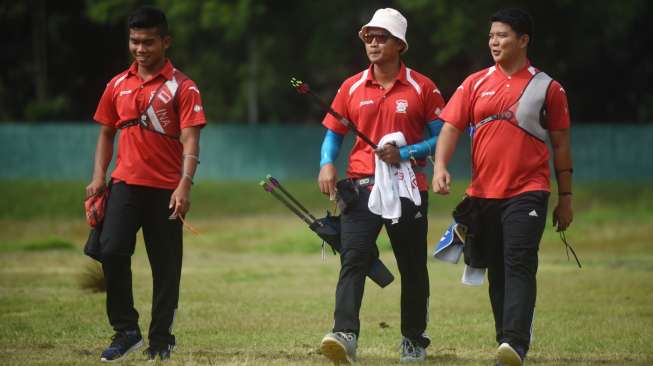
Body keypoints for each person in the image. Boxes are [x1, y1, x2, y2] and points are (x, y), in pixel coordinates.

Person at [432, 8, 573, 366]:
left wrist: (566, 199)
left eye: (503, 35)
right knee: (495, 268)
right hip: (482, 195)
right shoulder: (474, 83)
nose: (494, 42)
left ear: (523, 40)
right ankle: (505, 343)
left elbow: (561, 145)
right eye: (492, 35)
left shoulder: (548, 88)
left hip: (529, 189)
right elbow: (449, 127)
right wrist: (441, 166)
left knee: (519, 262)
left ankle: (515, 342)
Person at [317, 8, 446, 364]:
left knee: (412, 266)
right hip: (360, 188)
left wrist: (407, 151)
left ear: (400, 44)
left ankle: (413, 339)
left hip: (408, 188)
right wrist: (327, 162)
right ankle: (345, 334)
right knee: (353, 258)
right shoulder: (351, 86)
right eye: (369, 37)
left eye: (381, 37)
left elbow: (442, 137)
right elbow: (333, 134)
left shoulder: (423, 86)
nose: (373, 43)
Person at [85, 6, 206, 362]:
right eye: (135, 41)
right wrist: (97, 178)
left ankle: (161, 339)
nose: (141, 49)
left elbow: (191, 140)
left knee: (166, 268)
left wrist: (185, 184)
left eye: (149, 42)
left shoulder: (184, 87)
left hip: (167, 189)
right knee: (110, 250)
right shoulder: (117, 85)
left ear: (165, 42)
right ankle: (126, 331)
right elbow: (106, 133)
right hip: (124, 184)